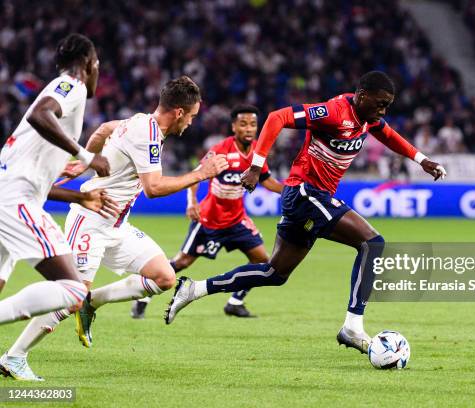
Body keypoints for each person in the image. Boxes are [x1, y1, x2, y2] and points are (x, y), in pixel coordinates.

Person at [164, 71, 446, 354]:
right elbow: (277, 118)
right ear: (362, 96)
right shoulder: (334, 112)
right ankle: (353, 326)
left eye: (388, 104)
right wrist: (256, 166)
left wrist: (421, 160)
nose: (383, 110)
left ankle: (195, 289)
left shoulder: (366, 118)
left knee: (274, 273)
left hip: (308, 199)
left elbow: (387, 134)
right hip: (305, 193)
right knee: (373, 243)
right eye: (380, 103)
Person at [0, 76, 228, 381]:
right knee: (69, 296)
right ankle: (14, 356)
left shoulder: (142, 122)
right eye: (192, 116)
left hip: (117, 226)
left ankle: (93, 303)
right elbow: (154, 188)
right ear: (178, 112)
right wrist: (202, 173)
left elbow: (105, 129)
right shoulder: (146, 132)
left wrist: (86, 162)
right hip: (90, 222)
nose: (190, 123)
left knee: (164, 277)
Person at [131, 105, 283, 319]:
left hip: (237, 220)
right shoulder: (221, 150)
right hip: (209, 220)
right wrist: (192, 202)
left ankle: (235, 302)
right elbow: (197, 175)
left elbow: (267, 181)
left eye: (253, 124)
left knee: (263, 261)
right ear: (233, 127)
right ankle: (143, 296)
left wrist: (292, 190)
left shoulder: (258, 153)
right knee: (182, 262)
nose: (249, 129)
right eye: (243, 124)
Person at [0, 33, 110, 326]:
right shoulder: (71, 85)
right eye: (97, 62)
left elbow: (35, 181)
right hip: (15, 200)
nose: (98, 69)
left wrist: (79, 197)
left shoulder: (61, 98)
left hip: (10, 195)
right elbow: (40, 113)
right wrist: (87, 156)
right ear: (88, 62)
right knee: (74, 290)